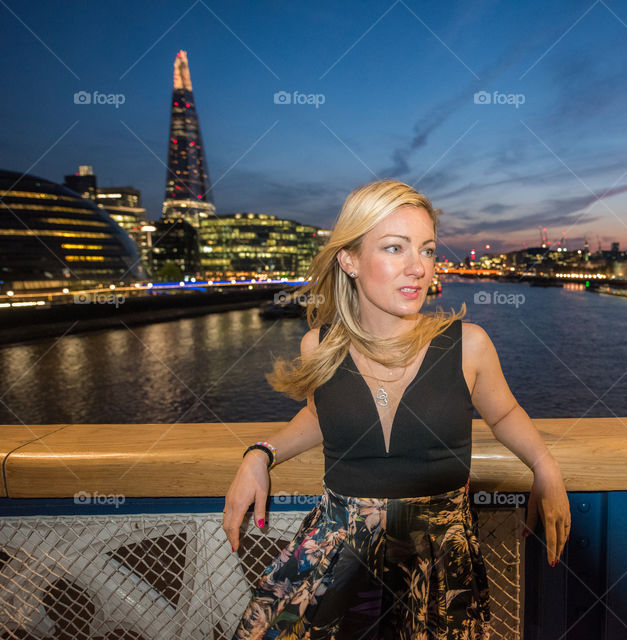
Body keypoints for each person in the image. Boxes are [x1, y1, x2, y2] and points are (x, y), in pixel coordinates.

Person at [223, 179, 571, 639]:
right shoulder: (319, 346)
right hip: (335, 556)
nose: (418, 268)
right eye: (395, 248)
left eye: (426, 250)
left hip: (439, 565)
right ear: (349, 260)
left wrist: (544, 465)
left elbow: (504, 414)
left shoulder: (468, 346)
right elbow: (318, 417)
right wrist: (259, 454)